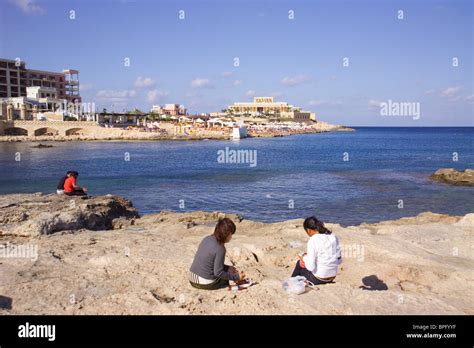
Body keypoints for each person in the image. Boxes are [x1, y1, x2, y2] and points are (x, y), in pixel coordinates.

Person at [189, 218, 245, 290]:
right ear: (226, 235)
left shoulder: (207, 238)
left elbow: (209, 262)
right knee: (225, 278)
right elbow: (218, 273)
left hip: (192, 278)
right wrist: (236, 277)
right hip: (202, 283)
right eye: (231, 234)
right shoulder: (220, 249)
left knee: (227, 271)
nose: (231, 237)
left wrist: (227, 268)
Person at [291, 216, 342, 285]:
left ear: (308, 230)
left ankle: (291, 283)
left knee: (299, 263)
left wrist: (304, 258)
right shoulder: (333, 236)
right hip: (332, 276)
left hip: (319, 279)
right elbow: (339, 261)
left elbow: (310, 267)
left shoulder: (313, 240)